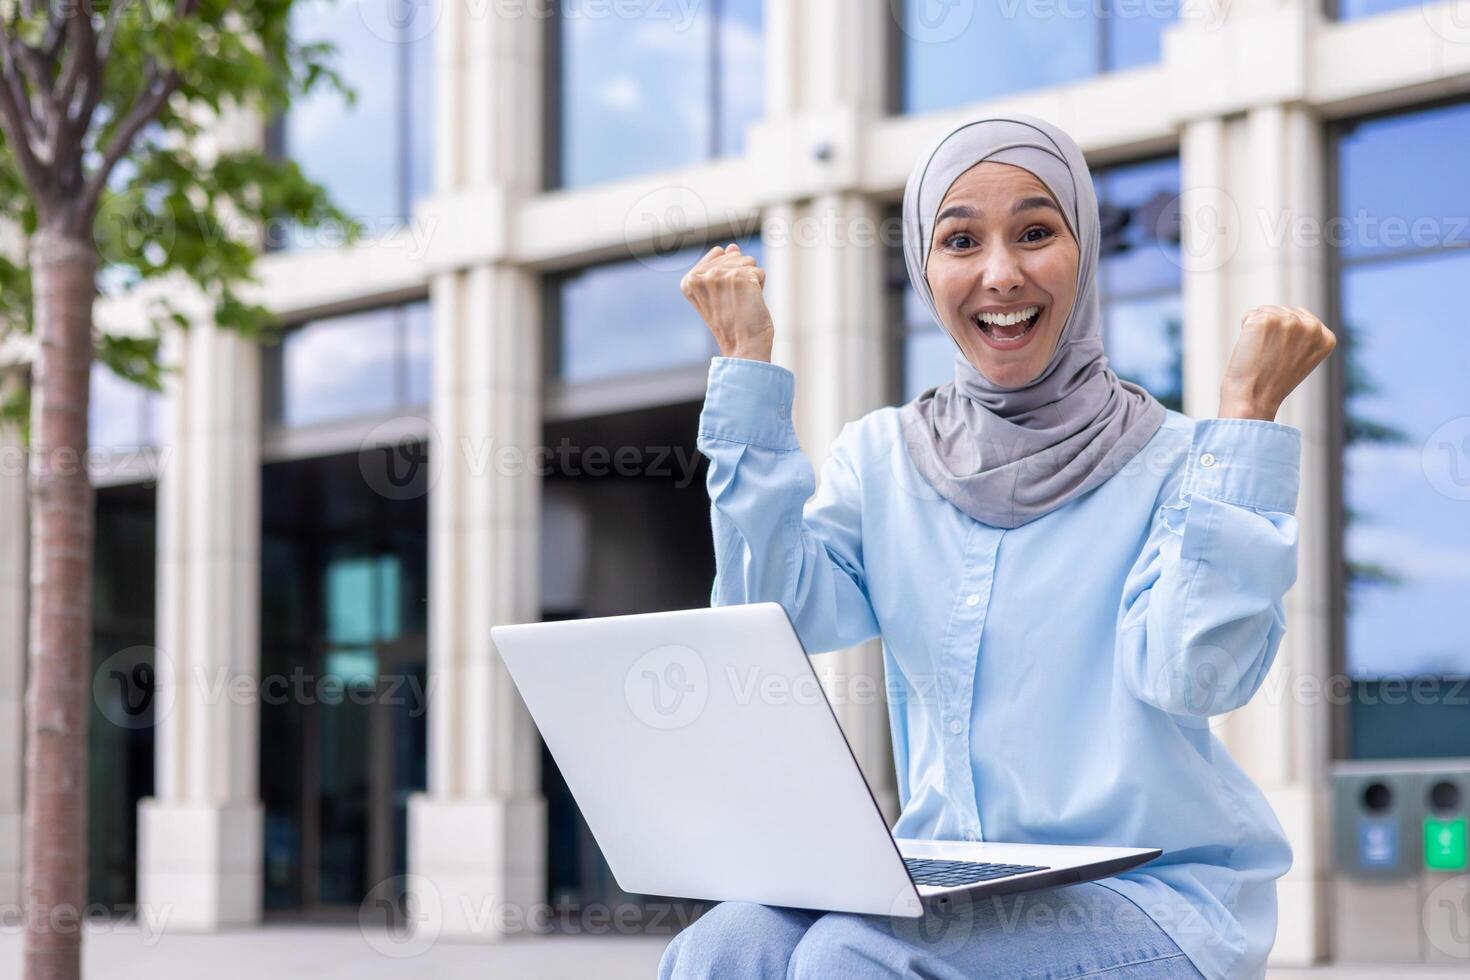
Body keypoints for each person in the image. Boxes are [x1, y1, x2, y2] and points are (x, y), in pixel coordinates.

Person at [663, 112, 1336, 979]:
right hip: (957, 880)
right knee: (728, 943)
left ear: (1083, 250)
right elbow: (771, 616)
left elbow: (1194, 675)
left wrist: (1245, 421)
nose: (1000, 273)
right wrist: (748, 367)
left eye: (1034, 232)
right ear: (923, 265)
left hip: (1155, 892)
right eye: (960, 240)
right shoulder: (882, 457)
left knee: (850, 956)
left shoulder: (1182, 462)